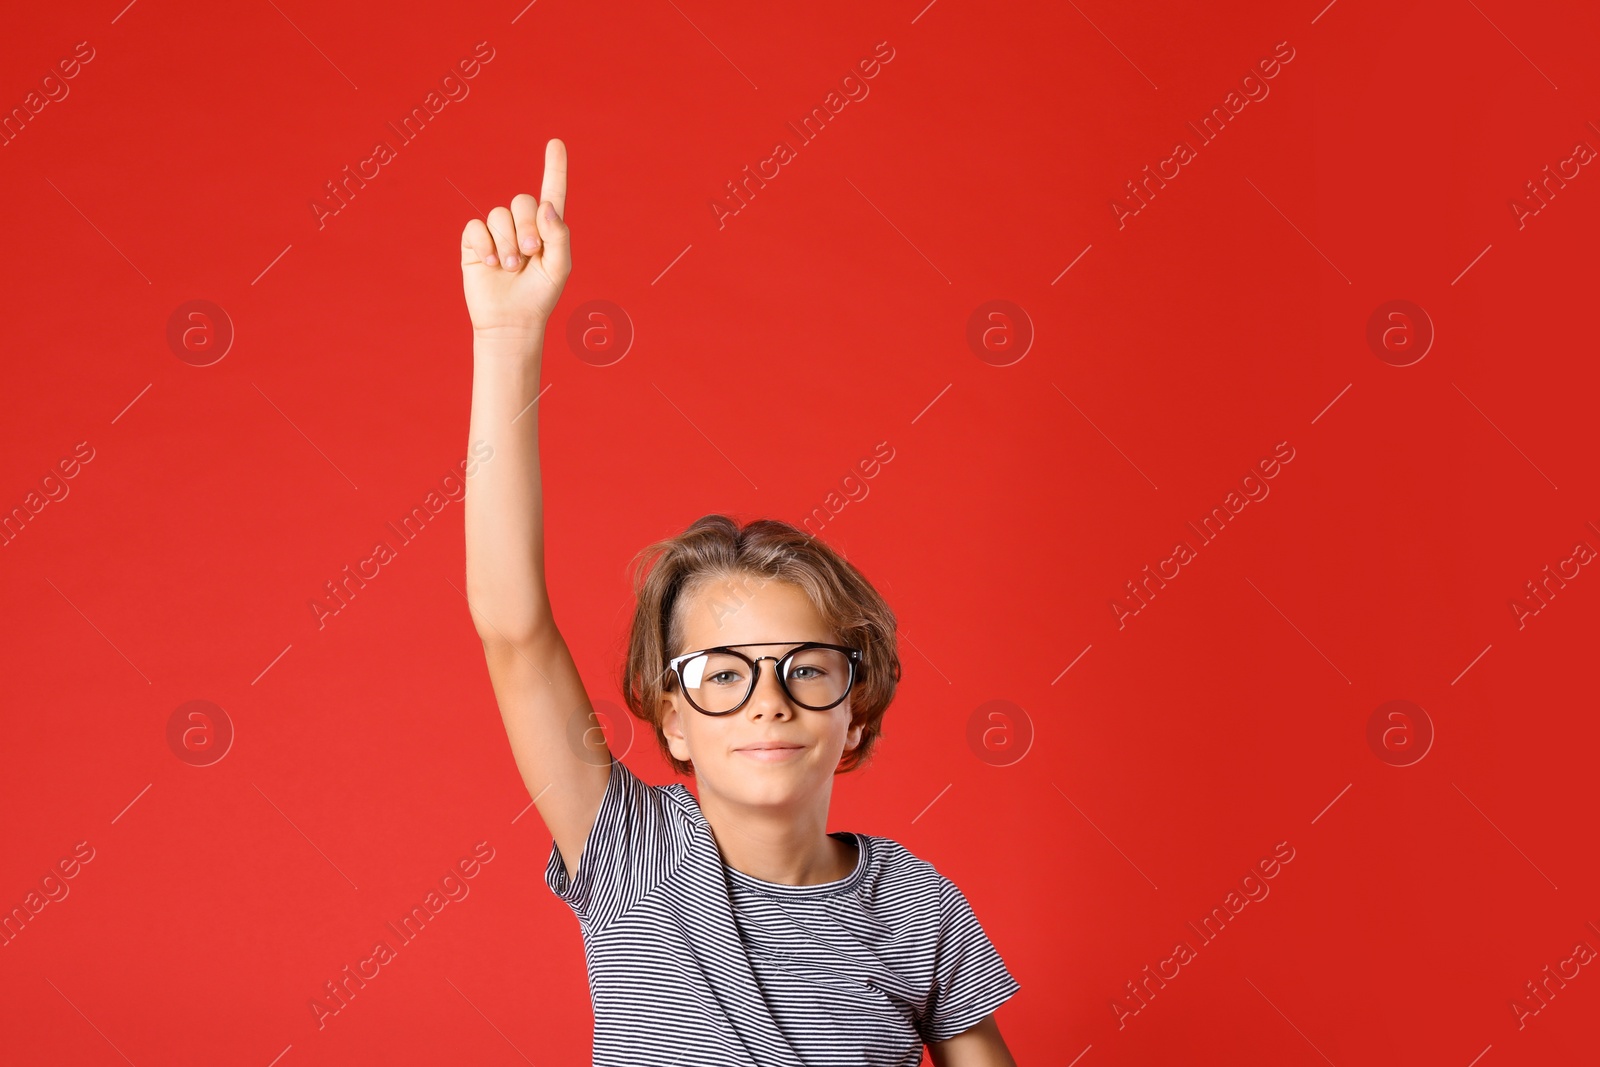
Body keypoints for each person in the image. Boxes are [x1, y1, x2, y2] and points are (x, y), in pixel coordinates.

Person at [460, 138, 1021, 1066]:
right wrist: (508, 344)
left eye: (807, 670)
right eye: (723, 673)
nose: (769, 698)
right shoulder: (635, 854)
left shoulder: (918, 907)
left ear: (856, 707)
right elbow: (513, 628)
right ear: (673, 717)